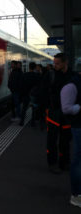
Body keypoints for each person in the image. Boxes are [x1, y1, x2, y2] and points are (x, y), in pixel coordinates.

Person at [42, 53, 72, 173]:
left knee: (65, 140)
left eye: (57, 63)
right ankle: (52, 163)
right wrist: (45, 109)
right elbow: (42, 92)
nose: (55, 65)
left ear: (65, 63)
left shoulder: (73, 76)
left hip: (68, 114)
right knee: (52, 140)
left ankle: (64, 162)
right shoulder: (50, 75)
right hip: (53, 112)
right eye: (54, 63)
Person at [60, 72, 81, 207]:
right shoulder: (71, 86)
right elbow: (66, 108)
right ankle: (76, 195)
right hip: (79, 127)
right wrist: (79, 107)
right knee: (78, 160)